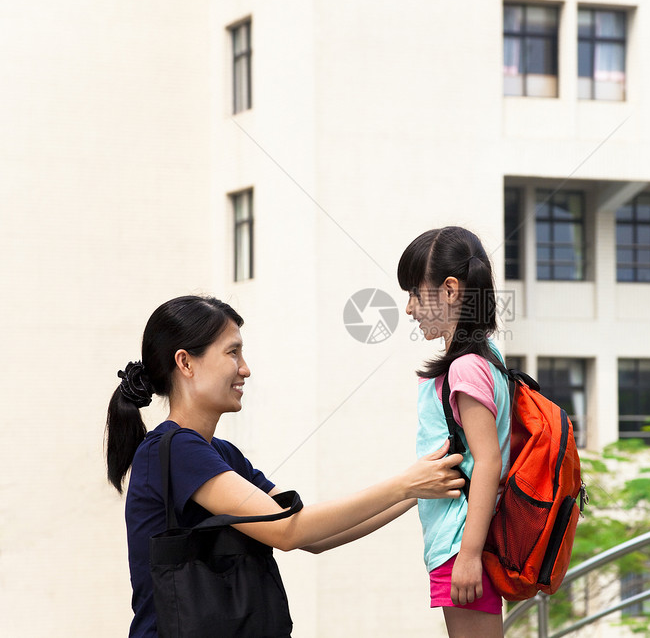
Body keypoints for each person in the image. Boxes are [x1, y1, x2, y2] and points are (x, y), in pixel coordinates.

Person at [105, 295, 465, 638]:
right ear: (185, 363)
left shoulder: (222, 455)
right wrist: (406, 485)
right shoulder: (175, 450)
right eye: (233, 352)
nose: (245, 369)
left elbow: (315, 536)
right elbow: (288, 530)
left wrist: (423, 490)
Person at [398, 226, 511, 638]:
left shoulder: (464, 367)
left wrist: (468, 555)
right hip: (462, 543)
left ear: (449, 289)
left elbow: (488, 460)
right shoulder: (487, 356)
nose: (409, 308)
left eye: (414, 292)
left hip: (459, 544)